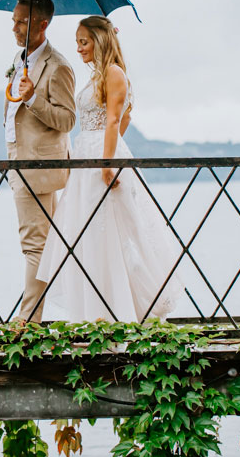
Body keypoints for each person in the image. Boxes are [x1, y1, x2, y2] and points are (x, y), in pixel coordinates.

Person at [36, 16, 184, 322]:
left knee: (113, 235)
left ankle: (122, 313)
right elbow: (121, 118)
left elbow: (118, 120)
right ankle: (96, 314)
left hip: (102, 160)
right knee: (88, 235)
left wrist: (108, 162)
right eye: (77, 42)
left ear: (100, 40)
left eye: (84, 41)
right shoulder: (96, 77)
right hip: (86, 157)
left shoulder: (115, 74)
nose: (78, 48)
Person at [4, 0, 76, 323]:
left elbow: (67, 120)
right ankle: (66, 306)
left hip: (38, 167)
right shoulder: (20, 61)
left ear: (43, 24)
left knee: (34, 245)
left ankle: (27, 323)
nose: (15, 28)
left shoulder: (58, 66)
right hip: (19, 162)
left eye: (22, 21)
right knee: (44, 244)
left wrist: (33, 100)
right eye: (14, 20)